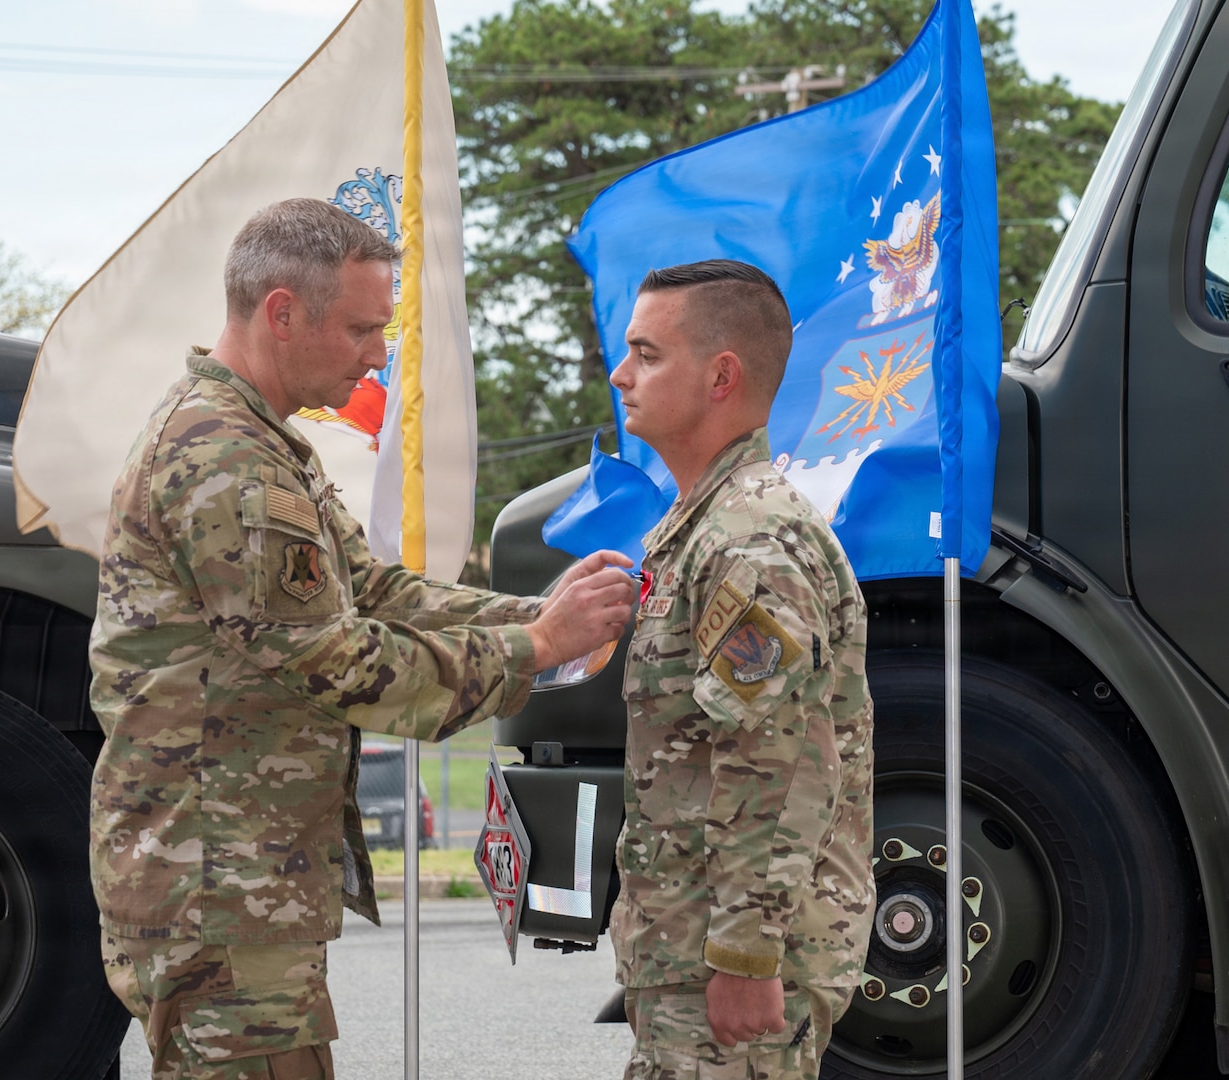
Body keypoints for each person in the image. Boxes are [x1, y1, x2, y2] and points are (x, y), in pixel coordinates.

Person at [87, 197, 635, 1080]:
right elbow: (335, 660)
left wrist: (535, 615)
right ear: (281, 312)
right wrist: (533, 650)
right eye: (360, 329)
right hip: (218, 881)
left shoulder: (262, 444)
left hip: (235, 872)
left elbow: (371, 589)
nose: (378, 353)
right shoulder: (225, 461)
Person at [607, 259, 874, 1080]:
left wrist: (744, 953)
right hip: (687, 944)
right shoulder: (702, 529)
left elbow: (774, 758)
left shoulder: (749, 540)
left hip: (729, 956)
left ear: (721, 374)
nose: (621, 374)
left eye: (646, 354)